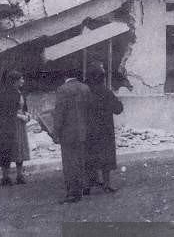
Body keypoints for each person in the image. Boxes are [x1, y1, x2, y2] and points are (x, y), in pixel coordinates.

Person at [0, 70, 30, 186]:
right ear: (15, 81)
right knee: (8, 149)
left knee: (19, 149)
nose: (23, 81)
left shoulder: (19, 92)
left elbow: (23, 106)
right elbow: (5, 112)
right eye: (21, 79)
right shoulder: (5, 93)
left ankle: (20, 175)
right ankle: (6, 176)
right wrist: (21, 116)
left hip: (19, 125)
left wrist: (26, 114)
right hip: (8, 126)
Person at [53, 70, 91, 204]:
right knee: (81, 161)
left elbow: (59, 113)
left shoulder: (62, 90)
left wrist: (55, 132)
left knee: (69, 163)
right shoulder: (85, 88)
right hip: (83, 131)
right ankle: (82, 188)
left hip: (67, 133)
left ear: (65, 76)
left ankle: (72, 192)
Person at [85, 62, 123, 193]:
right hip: (105, 129)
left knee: (90, 155)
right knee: (106, 156)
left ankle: (89, 184)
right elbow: (118, 109)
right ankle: (106, 184)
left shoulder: (85, 92)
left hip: (89, 129)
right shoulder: (106, 92)